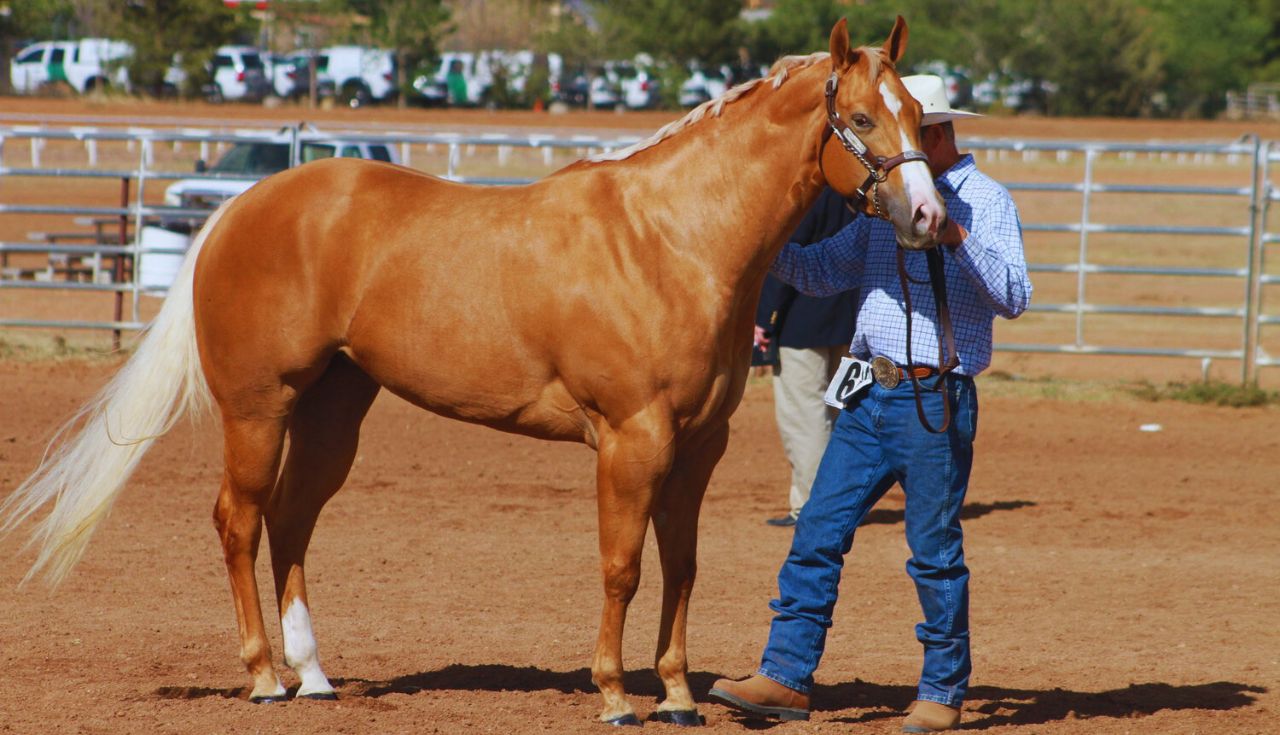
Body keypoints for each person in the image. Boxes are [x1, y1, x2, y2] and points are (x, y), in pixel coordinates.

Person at [709, 74, 1032, 733]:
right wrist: (759, 242)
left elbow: (1014, 293)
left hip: (933, 398)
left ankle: (941, 692)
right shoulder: (887, 203)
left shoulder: (984, 200)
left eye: (911, 130)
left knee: (933, 549)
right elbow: (824, 269)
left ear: (935, 133)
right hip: (867, 394)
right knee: (818, 531)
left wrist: (956, 239)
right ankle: (786, 675)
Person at [754, 188, 857, 528]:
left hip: (801, 322)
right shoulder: (859, 185)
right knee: (842, 413)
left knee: (805, 417)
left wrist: (764, 317)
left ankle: (814, 507)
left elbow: (785, 258)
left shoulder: (805, 193)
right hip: (851, 319)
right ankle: (846, 502)